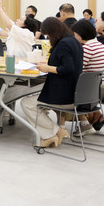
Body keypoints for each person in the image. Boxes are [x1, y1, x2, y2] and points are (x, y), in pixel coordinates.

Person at [20, 18, 83, 148]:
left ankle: (53, 133)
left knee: (27, 103)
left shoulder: (63, 44)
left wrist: (48, 68)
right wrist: (48, 65)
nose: (48, 38)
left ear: (53, 32)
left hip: (65, 95)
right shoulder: (73, 41)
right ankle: (53, 133)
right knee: (34, 102)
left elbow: (68, 68)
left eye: (48, 35)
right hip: (75, 91)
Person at [70, 19, 104, 137]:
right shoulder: (98, 44)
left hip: (96, 91)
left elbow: (75, 69)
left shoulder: (88, 48)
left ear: (79, 34)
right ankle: (95, 117)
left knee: (66, 90)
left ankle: (84, 123)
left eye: (74, 34)